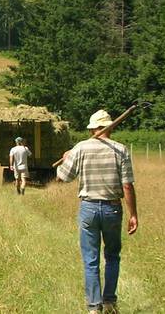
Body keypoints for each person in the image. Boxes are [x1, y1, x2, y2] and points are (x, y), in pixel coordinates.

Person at [56, 110, 138, 314]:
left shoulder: (81, 148)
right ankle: (109, 302)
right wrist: (133, 214)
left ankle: (94, 307)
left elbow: (62, 177)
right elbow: (127, 186)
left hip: (89, 208)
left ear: (93, 128)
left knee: (90, 259)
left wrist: (67, 158)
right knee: (112, 256)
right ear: (110, 127)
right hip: (112, 208)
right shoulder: (121, 150)